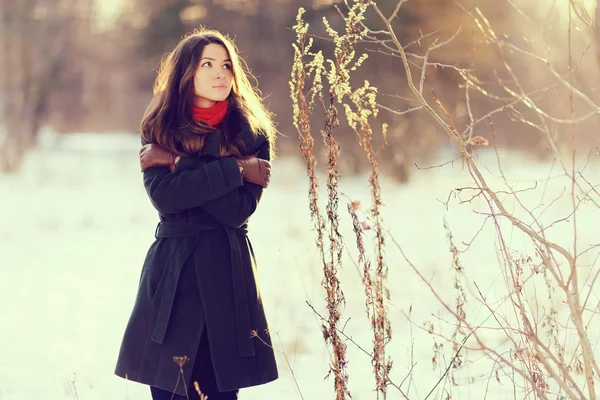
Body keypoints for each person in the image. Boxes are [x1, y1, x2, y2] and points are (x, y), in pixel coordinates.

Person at [114, 29, 279, 400]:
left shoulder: (252, 134)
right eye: (208, 64)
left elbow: (237, 210)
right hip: (174, 278)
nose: (221, 73)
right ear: (187, 72)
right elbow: (166, 199)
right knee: (170, 389)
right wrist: (235, 171)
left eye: (226, 65)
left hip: (228, 276)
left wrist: (180, 165)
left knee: (221, 391)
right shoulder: (159, 129)